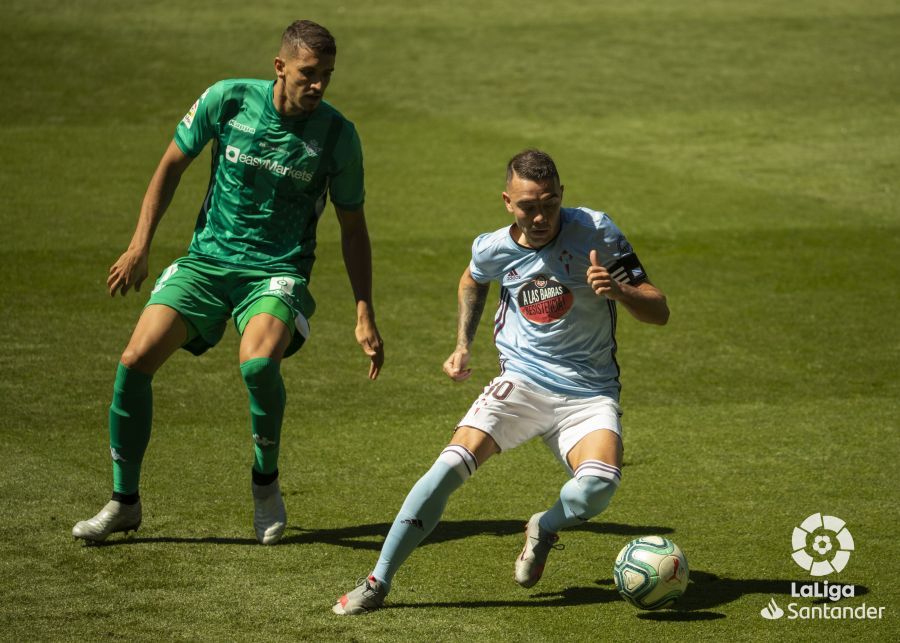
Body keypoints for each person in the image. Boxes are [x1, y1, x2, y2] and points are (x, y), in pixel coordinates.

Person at [72, 20, 384, 546]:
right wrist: (139, 246)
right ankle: (124, 502)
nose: (319, 85)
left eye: (327, 75)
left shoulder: (337, 136)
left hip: (276, 271)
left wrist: (363, 311)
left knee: (258, 363)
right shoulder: (228, 99)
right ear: (279, 67)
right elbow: (171, 164)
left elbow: (352, 226)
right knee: (134, 361)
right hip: (206, 263)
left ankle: (265, 483)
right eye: (308, 73)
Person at [333, 149, 668, 614]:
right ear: (508, 202)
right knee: (446, 469)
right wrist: (462, 344)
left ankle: (544, 526)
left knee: (597, 488)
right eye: (528, 207)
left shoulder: (597, 231)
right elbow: (473, 280)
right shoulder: (492, 248)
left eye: (550, 204)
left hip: (589, 392)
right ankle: (377, 581)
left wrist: (620, 290)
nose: (540, 217)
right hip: (522, 381)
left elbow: (659, 309)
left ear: (562, 195)